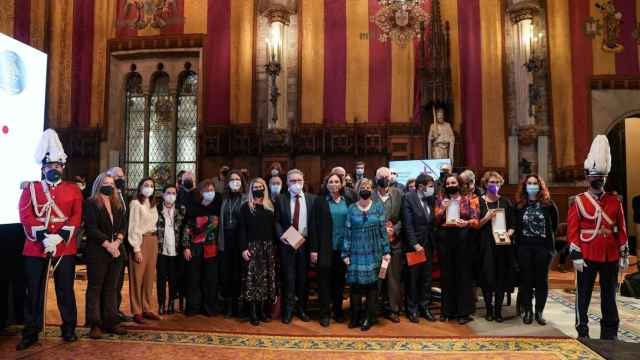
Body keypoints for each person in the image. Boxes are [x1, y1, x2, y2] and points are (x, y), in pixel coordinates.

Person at [17, 129, 83, 350]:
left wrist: (60, 236)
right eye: (49, 167)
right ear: (42, 168)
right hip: (36, 247)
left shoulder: (73, 190)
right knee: (33, 289)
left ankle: (69, 328)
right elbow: (25, 215)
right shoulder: (32, 189)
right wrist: (44, 236)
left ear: (63, 168)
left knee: (65, 288)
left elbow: (76, 214)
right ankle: (31, 331)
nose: (53, 170)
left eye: (57, 166)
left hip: (64, 247)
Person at [568, 135, 629, 340]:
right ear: (588, 178)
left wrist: (624, 254)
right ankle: (582, 330)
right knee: (583, 296)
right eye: (595, 178)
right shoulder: (578, 201)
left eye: (601, 178)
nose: (598, 181)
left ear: (605, 179)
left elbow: (621, 229)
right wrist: (575, 254)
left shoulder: (615, 201)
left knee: (609, 297)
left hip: (610, 255)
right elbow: (573, 230)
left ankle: (610, 332)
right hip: (586, 254)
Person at [342, 179, 391, 331]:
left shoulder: (378, 208)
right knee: (355, 286)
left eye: (368, 187)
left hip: (374, 250)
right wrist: (345, 253)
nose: (365, 189)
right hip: (356, 251)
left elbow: (383, 231)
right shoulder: (351, 208)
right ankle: (355, 317)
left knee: (372, 287)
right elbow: (347, 232)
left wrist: (386, 251)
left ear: (372, 189)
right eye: (362, 187)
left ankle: (369, 317)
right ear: (357, 190)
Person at [84, 173, 128, 339]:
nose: (109, 186)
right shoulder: (90, 203)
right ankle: (95, 323)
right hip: (98, 251)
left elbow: (123, 225)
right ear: (98, 184)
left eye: (111, 183)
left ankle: (111, 321)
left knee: (112, 287)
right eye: (106, 183)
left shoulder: (117, 203)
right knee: (95, 287)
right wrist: (107, 244)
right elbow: (91, 228)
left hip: (116, 251)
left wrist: (117, 242)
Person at [274, 169, 318, 324]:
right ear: (287, 183)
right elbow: (277, 221)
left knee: (303, 279)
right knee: (289, 278)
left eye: (299, 180)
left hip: (305, 243)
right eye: (292, 181)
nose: (296, 184)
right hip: (288, 242)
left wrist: (314, 249)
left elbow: (314, 225)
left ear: (303, 182)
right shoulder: (281, 199)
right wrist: (282, 235)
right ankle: (288, 311)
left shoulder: (312, 199)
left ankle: (302, 309)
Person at [434, 174, 479, 325]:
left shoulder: (469, 199)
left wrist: (465, 222)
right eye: (448, 183)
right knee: (447, 276)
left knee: (463, 275)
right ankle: (447, 311)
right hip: (445, 239)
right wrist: (443, 209)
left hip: (463, 238)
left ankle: (463, 312)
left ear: (459, 184)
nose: (451, 185)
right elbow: (436, 219)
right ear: (445, 186)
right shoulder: (441, 199)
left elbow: (475, 220)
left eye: (453, 182)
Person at [514, 174, 558, 326]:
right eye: (529, 183)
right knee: (526, 281)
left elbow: (555, 226)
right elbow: (516, 227)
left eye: (535, 183)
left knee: (541, 281)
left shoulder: (548, 205)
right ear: (525, 186)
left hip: (543, 248)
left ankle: (539, 312)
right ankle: (528, 311)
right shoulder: (519, 205)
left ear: (540, 186)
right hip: (524, 247)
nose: (532, 186)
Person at [476, 172, 516, 323]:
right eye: (491, 182)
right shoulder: (478, 202)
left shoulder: (506, 202)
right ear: (485, 184)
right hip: (485, 245)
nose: (494, 185)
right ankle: (489, 310)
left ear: (500, 184)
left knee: (500, 277)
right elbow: (475, 225)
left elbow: (513, 225)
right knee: (487, 278)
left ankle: (498, 310)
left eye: (497, 182)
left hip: (502, 244)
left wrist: (508, 233)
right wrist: (486, 217)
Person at [313, 172, 352, 327]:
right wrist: (314, 249)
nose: (334, 184)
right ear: (326, 184)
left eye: (337, 181)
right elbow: (313, 226)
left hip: (342, 249)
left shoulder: (348, 201)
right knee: (324, 283)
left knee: (339, 283)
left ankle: (338, 311)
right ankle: (324, 314)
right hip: (325, 248)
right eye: (331, 181)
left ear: (341, 184)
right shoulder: (320, 202)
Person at [238, 178, 278, 326]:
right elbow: (241, 229)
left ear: (265, 188)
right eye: (255, 187)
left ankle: (262, 311)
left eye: (261, 186)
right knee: (254, 281)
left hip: (268, 247)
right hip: (252, 247)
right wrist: (243, 248)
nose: (258, 189)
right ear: (251, 189)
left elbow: (275, 228)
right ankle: (253, 312)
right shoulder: (245, 207)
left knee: (266, 280)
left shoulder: (270, 206)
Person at [182, 179, 222, 316]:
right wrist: (186, 246)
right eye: (206, 190)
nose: (209, 193)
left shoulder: (218, 206)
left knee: (210, 279)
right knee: (194, 278)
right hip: (195, 248)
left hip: (212, 248)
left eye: (212, 190)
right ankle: (194, 307)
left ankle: (209, 308)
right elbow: (187, 228)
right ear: (200, 192)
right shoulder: (193, 206)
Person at [402, 174, 437, 323]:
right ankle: (412, 309)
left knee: (426, 278)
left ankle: (424, 306)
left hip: (428, 245)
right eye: (430, 186)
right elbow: (407, 223)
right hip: (414, 246)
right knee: (413, 278)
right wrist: (414, 244)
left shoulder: (430, 199)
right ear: (421, 186)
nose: (432, 189)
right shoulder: (409, 197)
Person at [372, 167, 404, 323]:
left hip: (394, 242)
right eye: (381, 176)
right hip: (374, 244)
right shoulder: (369, 195)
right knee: (376, 277)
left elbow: (404, 217)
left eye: (386, 176)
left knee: (393, 278)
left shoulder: (398, 193)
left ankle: (393, 309)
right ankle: (374, 308)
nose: (384, 179)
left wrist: (394, 231)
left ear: (391, 178)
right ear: (376, 178)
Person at [106, 166, 133, 322]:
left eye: (122, 176)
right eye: (117, 177)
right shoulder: (105, 195)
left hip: (122, 243)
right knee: (109, 282)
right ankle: (108, 313)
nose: (120, 179)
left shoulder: (124, 196)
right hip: (109, 244)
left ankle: (115, 310)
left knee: (118, 281)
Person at [219, 170, 247, 318]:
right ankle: (228, 306)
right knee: (226, 274)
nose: (235, 182)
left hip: (240, 241)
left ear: (242, 182)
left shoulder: (245, 199)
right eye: (232, 179)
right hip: (226, 240)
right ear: (228, 183)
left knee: (238, 274)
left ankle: (238, 306)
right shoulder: (223, 199)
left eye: (238, 179)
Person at [156, 185, 186, 316]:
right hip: (161, 249)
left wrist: (185, 246)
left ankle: (171, 304)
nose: (171, 195)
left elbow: (185, 228)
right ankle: (161, 304)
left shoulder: (181, 209)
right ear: (163, 195)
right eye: (168, 193)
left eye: (173, 193)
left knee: (174, 278)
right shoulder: (156, 209)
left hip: (176, 248)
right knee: (161, 277)